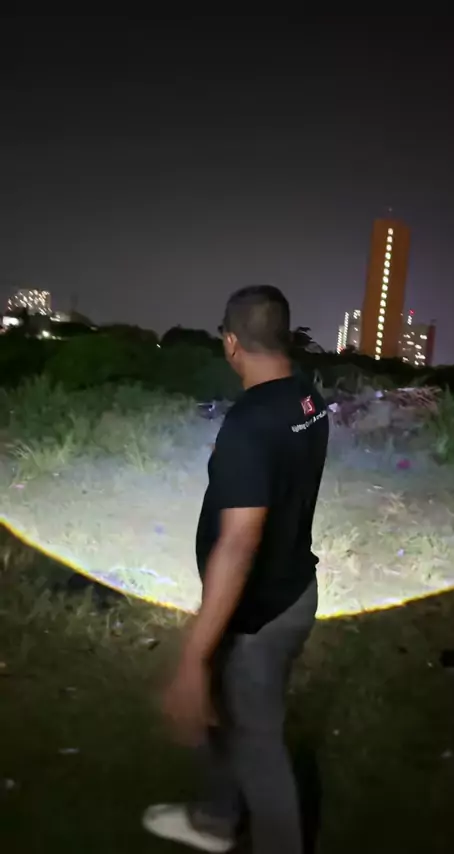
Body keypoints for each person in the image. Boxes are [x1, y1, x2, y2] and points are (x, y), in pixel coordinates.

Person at [143, 285, 329, 853]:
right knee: (233, 714)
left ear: (230, 342)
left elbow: (239, 544)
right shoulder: (306, 397)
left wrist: (192, 660)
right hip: (294, 590)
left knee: (259, 746)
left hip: (257, 615)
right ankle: (216, 819)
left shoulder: (250, 423)